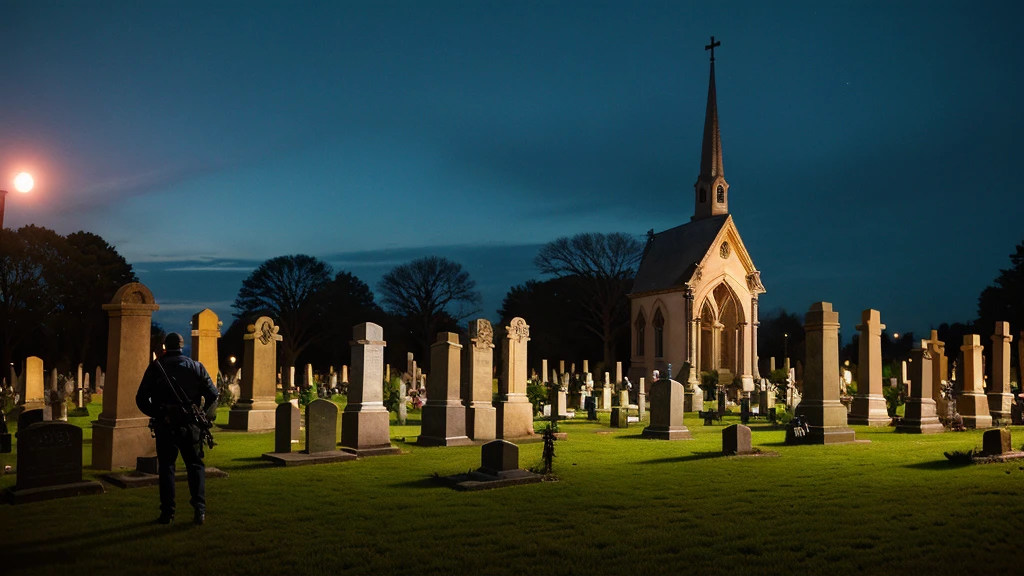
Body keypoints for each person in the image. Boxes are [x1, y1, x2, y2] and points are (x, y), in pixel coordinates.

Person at [136, 332, 218, 525]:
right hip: (192, 426)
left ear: (165, 346)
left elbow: (141, 399)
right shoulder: (196, 367)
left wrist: (157, 412)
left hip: (166, 425)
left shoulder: (156, 368)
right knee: (195, 466)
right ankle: (199, 510)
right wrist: (205, 416)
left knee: (166, 468)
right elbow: (213, 395)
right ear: (182, 345)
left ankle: (167, 513)